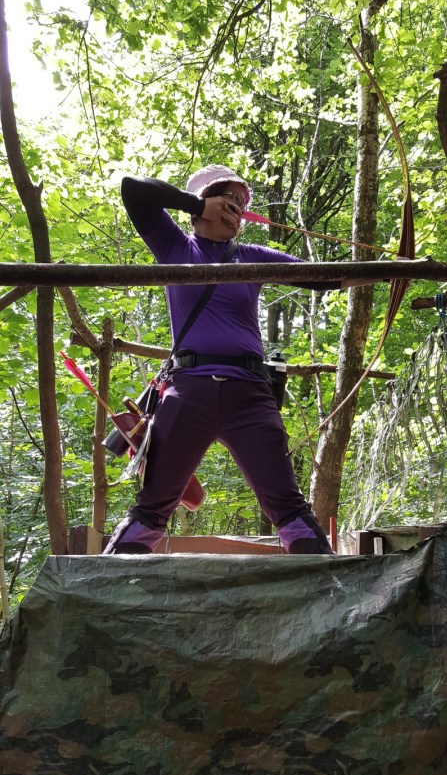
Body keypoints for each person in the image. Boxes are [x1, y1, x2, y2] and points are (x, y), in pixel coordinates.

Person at [104, 164, 370, 555]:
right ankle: (104, 598)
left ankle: (327, 597)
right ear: (203, 203)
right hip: (189, 390)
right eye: (229, 200)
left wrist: (391, 271)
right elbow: (134, 189)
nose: (237, 209)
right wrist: (195, 203)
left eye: (242, 205)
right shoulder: (175, 246)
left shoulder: (252, 255)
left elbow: (323, 276)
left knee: (287, 504)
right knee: (154, 504)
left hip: (249, 394)